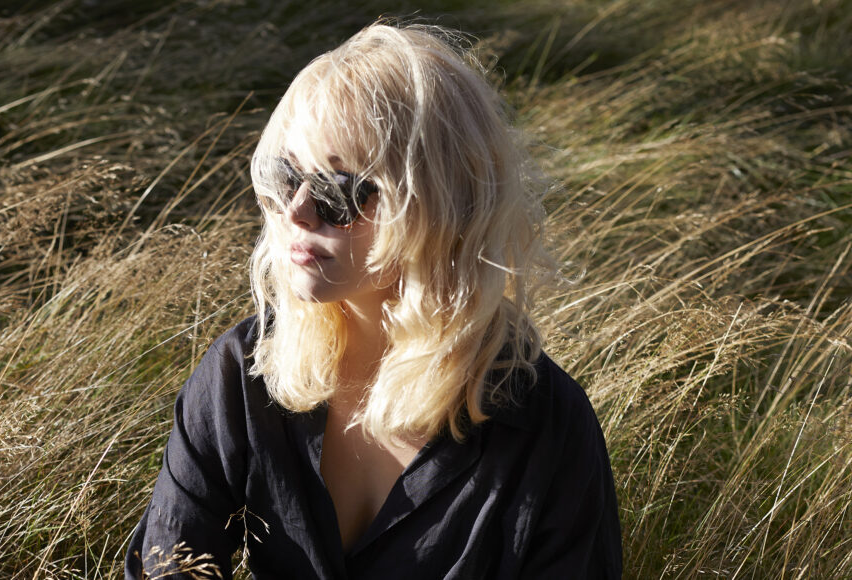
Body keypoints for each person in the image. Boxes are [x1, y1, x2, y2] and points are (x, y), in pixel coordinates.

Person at [126, 22, 622, 580]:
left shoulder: (544, 428)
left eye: (339, 191)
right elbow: (166, 568)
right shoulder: (241, 374)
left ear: (438, 205)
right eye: (286, 176)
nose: (297, 212)